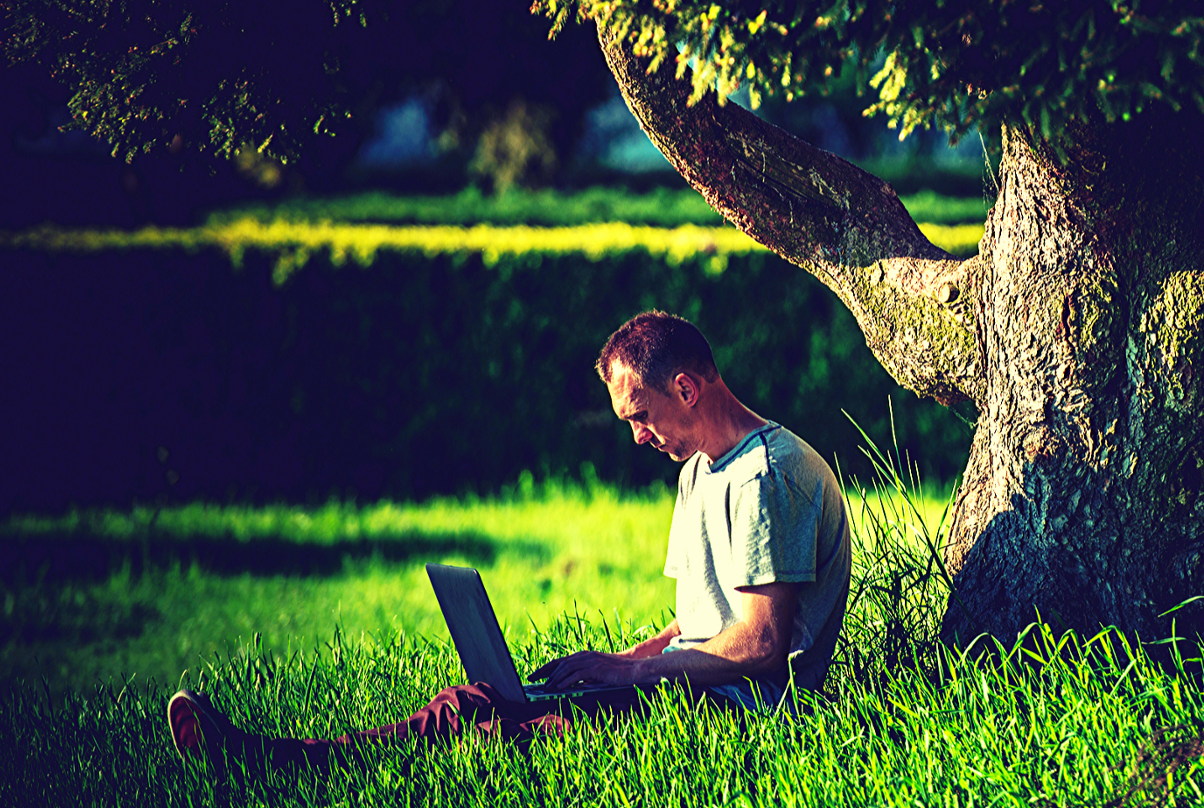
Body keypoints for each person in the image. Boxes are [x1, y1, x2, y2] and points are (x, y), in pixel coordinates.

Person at [165, 311, 852, 766]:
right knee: (483, 700)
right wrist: (622, 656)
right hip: (682, 687)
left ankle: (286, 762)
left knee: (506, 730)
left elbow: (761, 643)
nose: (638, 435)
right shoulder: (701, 468)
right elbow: (705, 619)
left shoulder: (770, 475)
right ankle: (277, 756)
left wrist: (637, 674)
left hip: (738, 715)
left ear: (686, 387)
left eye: (640, 415)